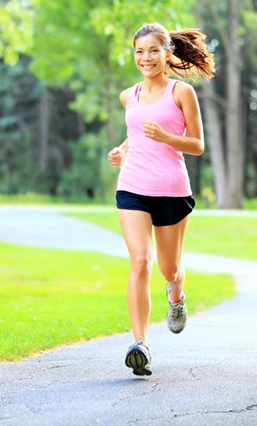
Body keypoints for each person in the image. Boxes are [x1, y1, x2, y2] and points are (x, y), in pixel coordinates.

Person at [107, 22, 214, 376]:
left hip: (171, 190)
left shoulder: (181, 93)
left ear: (167, 54)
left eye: (153, 50)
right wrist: (121, 150)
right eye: (139, 51)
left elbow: (197, 145)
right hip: (132, 187)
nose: (146, 57)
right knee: (140, 261)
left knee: (168, 269)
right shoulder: (129, 95)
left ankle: (177, 293)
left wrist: (168, 137)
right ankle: (140, 344)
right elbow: (136, 134)